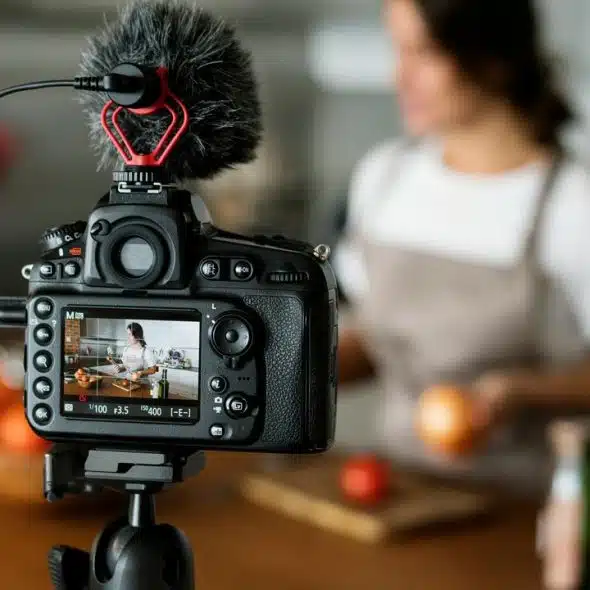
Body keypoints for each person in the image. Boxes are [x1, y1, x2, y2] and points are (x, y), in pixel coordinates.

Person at [335, 0, 590, 494]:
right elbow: (374, 336)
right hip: (399, 492)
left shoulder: (573, 204)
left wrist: (516, 392)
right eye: (397, 50)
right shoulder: (385, 175)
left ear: (493, 57)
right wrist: (289, 369)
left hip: (523, 512)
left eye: (423, 53)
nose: (398, 77)